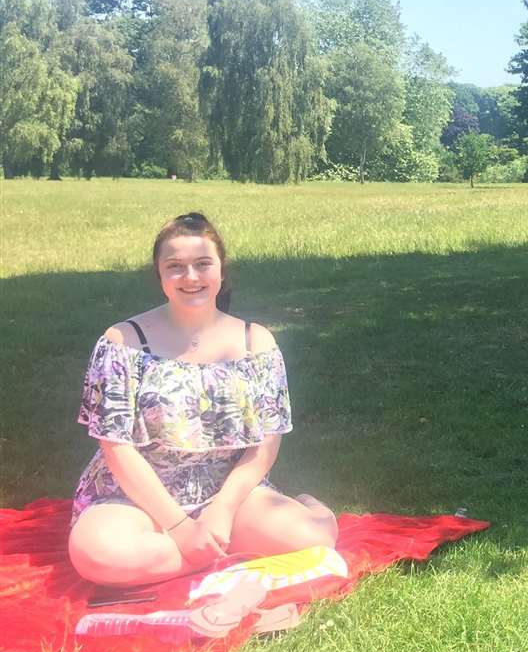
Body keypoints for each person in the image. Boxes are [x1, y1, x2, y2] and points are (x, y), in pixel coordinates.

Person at [68, 212, 338, 587]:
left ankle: (301, 512)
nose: (191, 277)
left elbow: (267, 442)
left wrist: (222, 511)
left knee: (314, 539)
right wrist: (179, 527)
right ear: (160, 276)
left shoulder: (255, 342)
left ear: (221, 271)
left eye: (202, 264)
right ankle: (217, 552)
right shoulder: (122, 342)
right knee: (100, 556)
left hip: (228, 495)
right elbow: (115, 446)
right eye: (175, 266)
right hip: (135, 497)